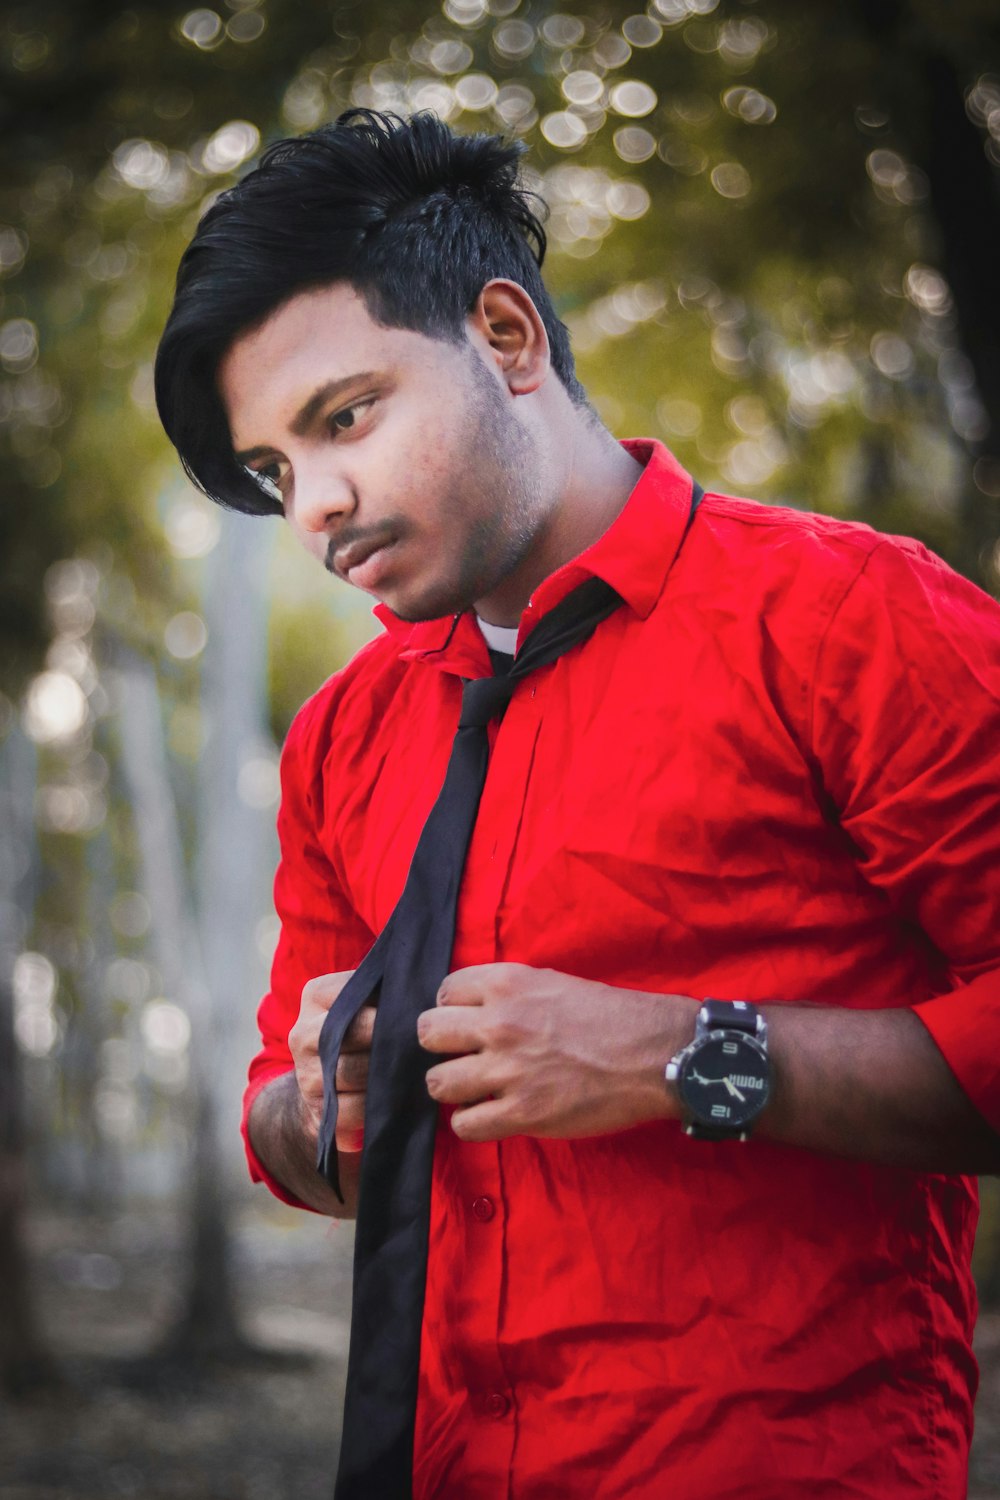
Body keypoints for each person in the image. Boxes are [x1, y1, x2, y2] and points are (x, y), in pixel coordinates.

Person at [154, 109, 1000, 1499]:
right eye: (275, 471)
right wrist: (316, 1111)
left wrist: (684, 1056)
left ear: (506, 336)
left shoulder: (854, 622)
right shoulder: (340, 741)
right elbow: (288, 1133)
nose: (314, 504)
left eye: (345, 416)